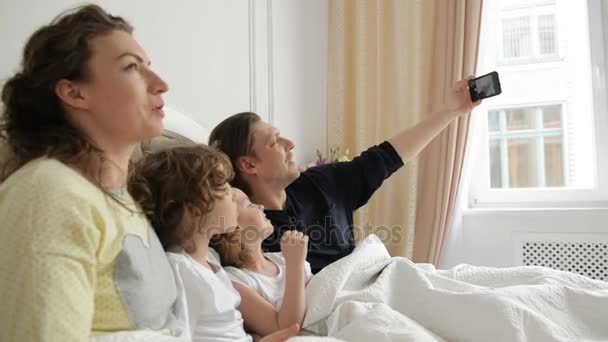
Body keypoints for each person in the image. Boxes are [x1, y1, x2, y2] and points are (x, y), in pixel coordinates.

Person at [0, 5, 297, 342]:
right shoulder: (49, 193)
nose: (161, 84)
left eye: (149, 67)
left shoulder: (125, 205)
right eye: (131, 67)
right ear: (74, 92)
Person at [208, 81, 481, 273]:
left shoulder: (319, 183)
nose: (289, 144)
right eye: (274, 142)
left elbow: (386, 157)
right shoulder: (247, 232)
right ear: (248, 164)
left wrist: (451, 111)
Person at [128, 145, 301, 342]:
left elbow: (227, 328)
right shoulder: (181, 269)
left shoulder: (210, 259)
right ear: (195, 209)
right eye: (224, 187)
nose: (233, 194)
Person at [212, 189, 312, 336]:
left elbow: (320, 294)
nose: (261, 206)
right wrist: (295, 265)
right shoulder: (236, 281)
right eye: (250, 205)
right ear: (233, 230)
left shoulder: (281, 258)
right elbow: (285, 329)